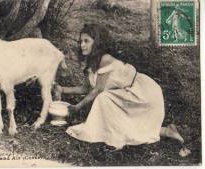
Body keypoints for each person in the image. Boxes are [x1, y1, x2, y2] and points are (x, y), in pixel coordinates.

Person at [54, 24, 184, 150]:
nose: (82, 45)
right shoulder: (92, 61)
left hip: (143, 92)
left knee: (104, 98)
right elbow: (88, 88)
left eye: (86, 41)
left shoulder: (105, 59)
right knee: (117, 114)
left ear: (97, 43)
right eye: (80, 41)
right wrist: (63, 89)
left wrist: (77, 107)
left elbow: (98, 89)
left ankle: (111, 136)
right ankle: (167, 131)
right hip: (127, 93)